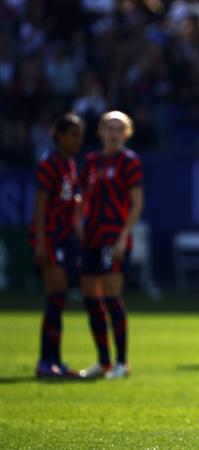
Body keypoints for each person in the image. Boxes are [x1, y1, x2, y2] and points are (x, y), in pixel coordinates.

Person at [78, 110, 144, 380]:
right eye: (109, 128)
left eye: (119, 128)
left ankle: (121, 362)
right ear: (101, 131)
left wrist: (123, 237)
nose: (114, 133)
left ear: (126, 133)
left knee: (112, 297)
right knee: (91, 298)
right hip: (91, 236)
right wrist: (78, 223)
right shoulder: (91, 161)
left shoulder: (129, 162)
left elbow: (137, 202)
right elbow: (83, 197)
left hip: (114, 237)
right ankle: (103, 361)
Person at [31, 113, 85, 379]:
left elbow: (71, 199)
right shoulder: (49, 164)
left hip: (64, 237)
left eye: (80, 135)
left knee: (59, 298)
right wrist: (40, 242)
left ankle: (54, 360)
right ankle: (45, 361)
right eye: (73, 134)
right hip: (50, 237)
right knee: (55, 296)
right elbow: (39, 206)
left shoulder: (70, 165)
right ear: (60, 136)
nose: (78, 140)